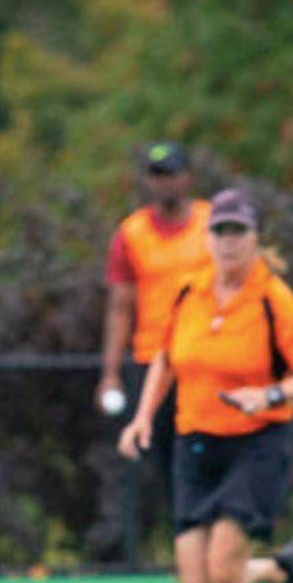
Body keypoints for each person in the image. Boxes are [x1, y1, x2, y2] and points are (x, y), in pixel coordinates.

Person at [117, 188, 293, 583]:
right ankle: (280, 572)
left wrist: (271, 394)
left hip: (256, 445)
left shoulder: (271, 298)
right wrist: (143, 417)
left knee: (224, 566)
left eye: (239, 231)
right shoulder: (189, 291)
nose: (229, 241)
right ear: (207, 238)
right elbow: (165, 359)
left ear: (256, 239)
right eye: (220, 231)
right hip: (195, 444)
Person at [99, 142, 212, 556]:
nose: (165, 183)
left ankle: (216, 543)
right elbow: (120, 307)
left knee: (211, 451)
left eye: (172, 174)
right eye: (157, 175)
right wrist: (111, 373)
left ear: (188, 177)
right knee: (166, 460)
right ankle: (190, 547)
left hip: (207, 361)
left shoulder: (213, 223)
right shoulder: (132, 233)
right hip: (153, 363)